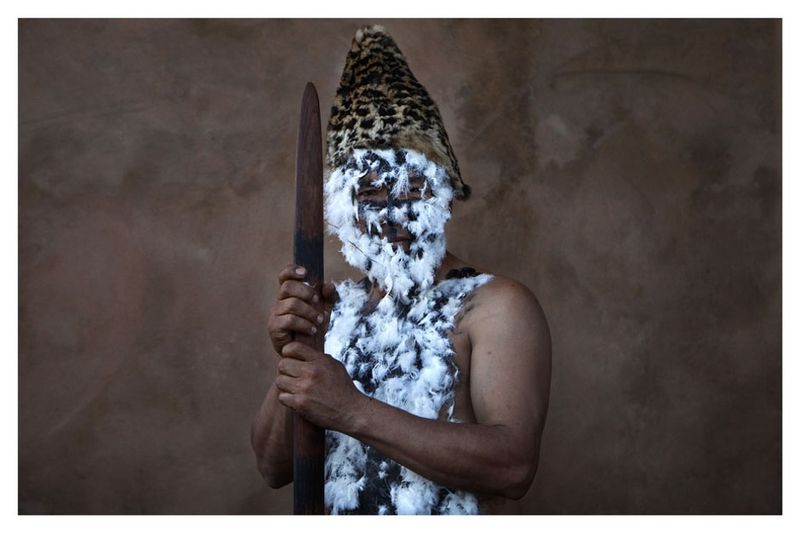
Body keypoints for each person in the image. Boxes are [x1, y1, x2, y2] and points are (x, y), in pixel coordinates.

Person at [250, 24, 551, 515]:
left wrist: (350, 410)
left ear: (443, 198)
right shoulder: (337, 309)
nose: (392, 216)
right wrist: (296, 354)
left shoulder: (494, 306)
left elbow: (513, 467)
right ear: (343, 211)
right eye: (369, 194)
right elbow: (271, 467)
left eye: (411, 189)